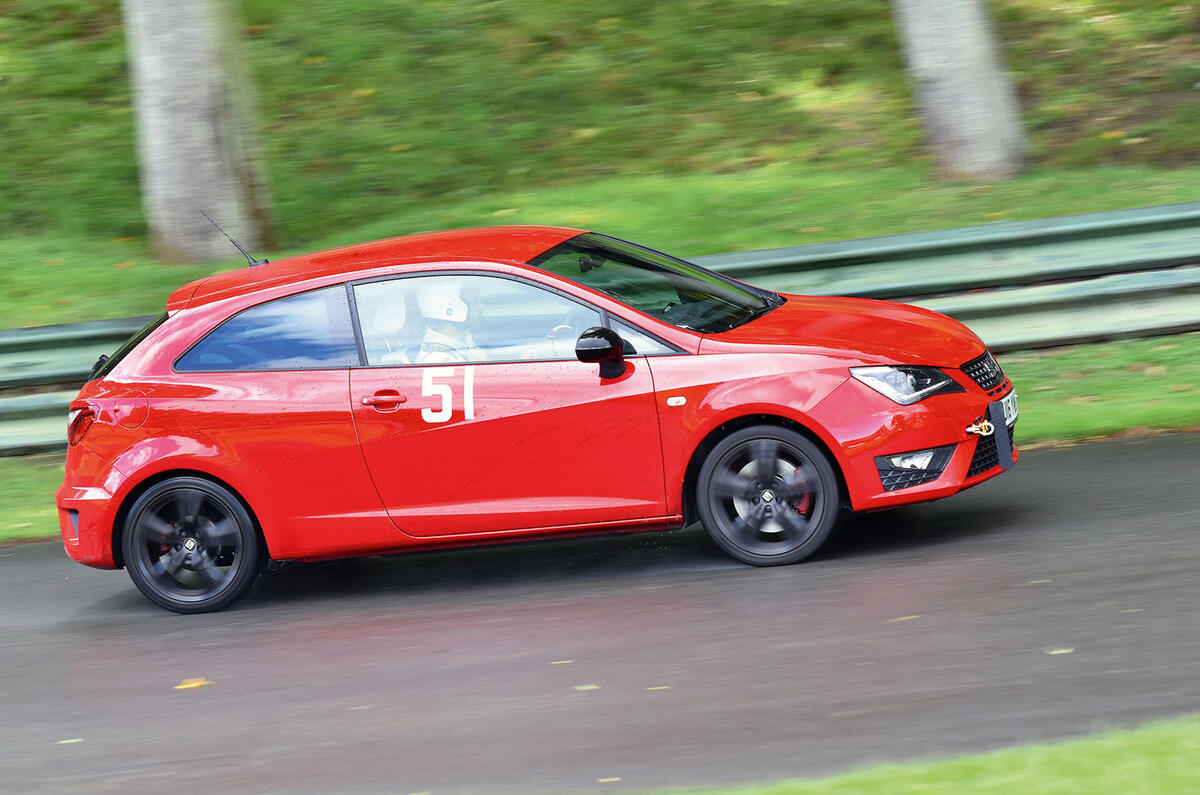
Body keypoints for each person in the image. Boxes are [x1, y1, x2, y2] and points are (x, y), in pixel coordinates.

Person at [415, 280, 487, 364]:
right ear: (452, 308)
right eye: (475, 301)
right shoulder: (439, 359)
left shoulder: (463, 342)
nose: (483, 307)